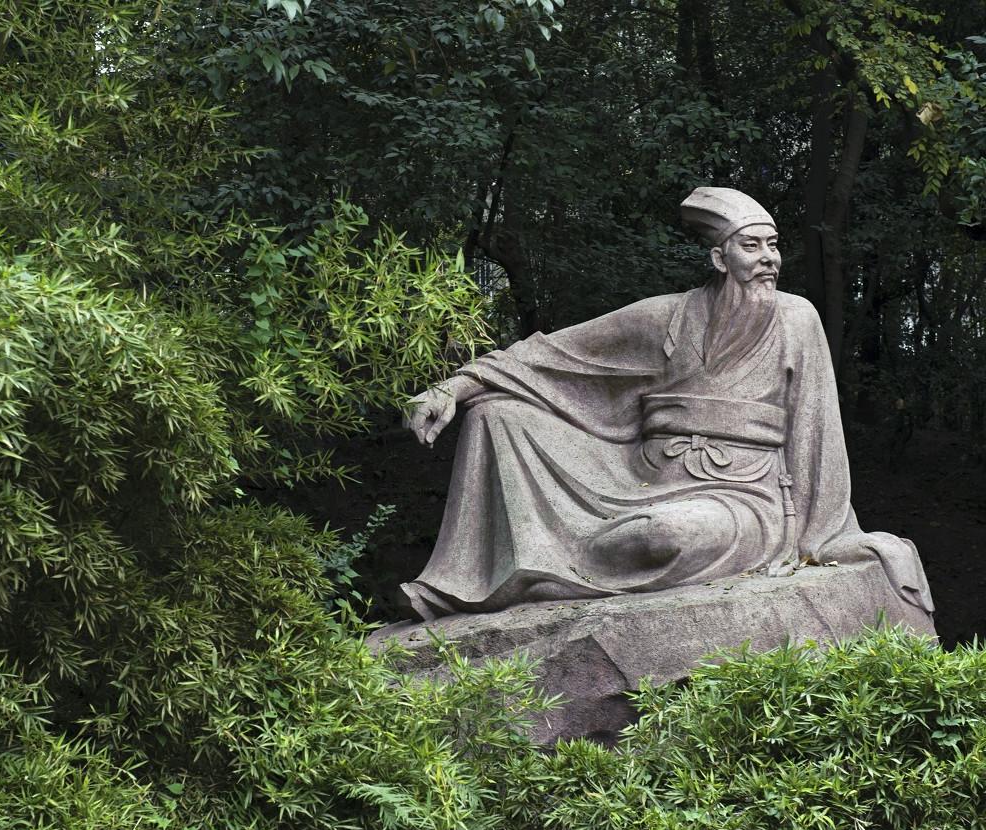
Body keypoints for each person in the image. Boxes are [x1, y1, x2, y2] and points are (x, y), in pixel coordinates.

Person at [400, 187, 934, 622]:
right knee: (498, 413)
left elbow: (817, 431)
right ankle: (522, 570)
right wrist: (453, 388)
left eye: (773, 246)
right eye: (751, 246)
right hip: (640, 480)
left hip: (745, 498)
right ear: (719, 258)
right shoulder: (664, 317)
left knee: (665, 534)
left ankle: (562, 568)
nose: (768, 259)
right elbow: (550, 356)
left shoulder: (798, 319)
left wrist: (826, 531)